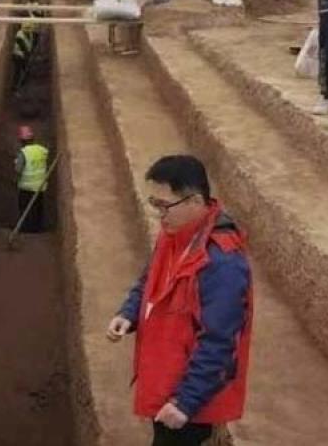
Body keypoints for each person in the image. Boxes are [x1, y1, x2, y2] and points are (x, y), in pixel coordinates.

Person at [107, 155, 252, 446]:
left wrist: (186, 402)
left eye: (165, 206)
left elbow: (219, 343)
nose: (159, 215)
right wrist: (129, 313)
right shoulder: (175, 234)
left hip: (187, 399)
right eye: (154, 205)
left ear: (195, 202)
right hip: (164, 380)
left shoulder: (223, 265)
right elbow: (151, 279)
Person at [14, 125, 49, 233]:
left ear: (21, 140)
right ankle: (38, 229)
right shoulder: (42, 150)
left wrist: (16, 164)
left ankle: (26, 230)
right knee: (38, 209)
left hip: (26, 187)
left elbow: (18, 169)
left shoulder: (23, 153)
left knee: (26, 210)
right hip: (40, 186)